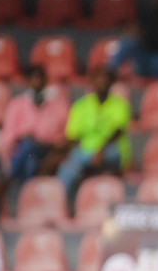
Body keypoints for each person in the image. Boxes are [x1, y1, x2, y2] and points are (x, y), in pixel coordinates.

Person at [54, 67, 130, 202]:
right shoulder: (80, 106)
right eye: (99, 79)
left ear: (112, 83)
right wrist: (65, 153)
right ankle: (58, 203)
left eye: (106, 80)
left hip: (111, 150)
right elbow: (73, 136)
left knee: (105, 154)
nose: (102, 83)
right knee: (69, 166)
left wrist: (101, 150)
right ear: (93, 82)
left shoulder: (120, 105)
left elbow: (117, 133)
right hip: (86, 151)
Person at [1, 65, 68, 184]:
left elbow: (62, 136)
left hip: (47, 150)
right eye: (34, 78)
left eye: (41, 78)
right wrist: (24, 137)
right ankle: (27, 186)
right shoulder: (16, 105)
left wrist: (43, 141)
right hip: (23, 151)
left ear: (46, 81)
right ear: (27, 81)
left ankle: (9, 178)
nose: (38, 82)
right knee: (29, 151)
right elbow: (9, 137)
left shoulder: (57, 106)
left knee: (32, 150)